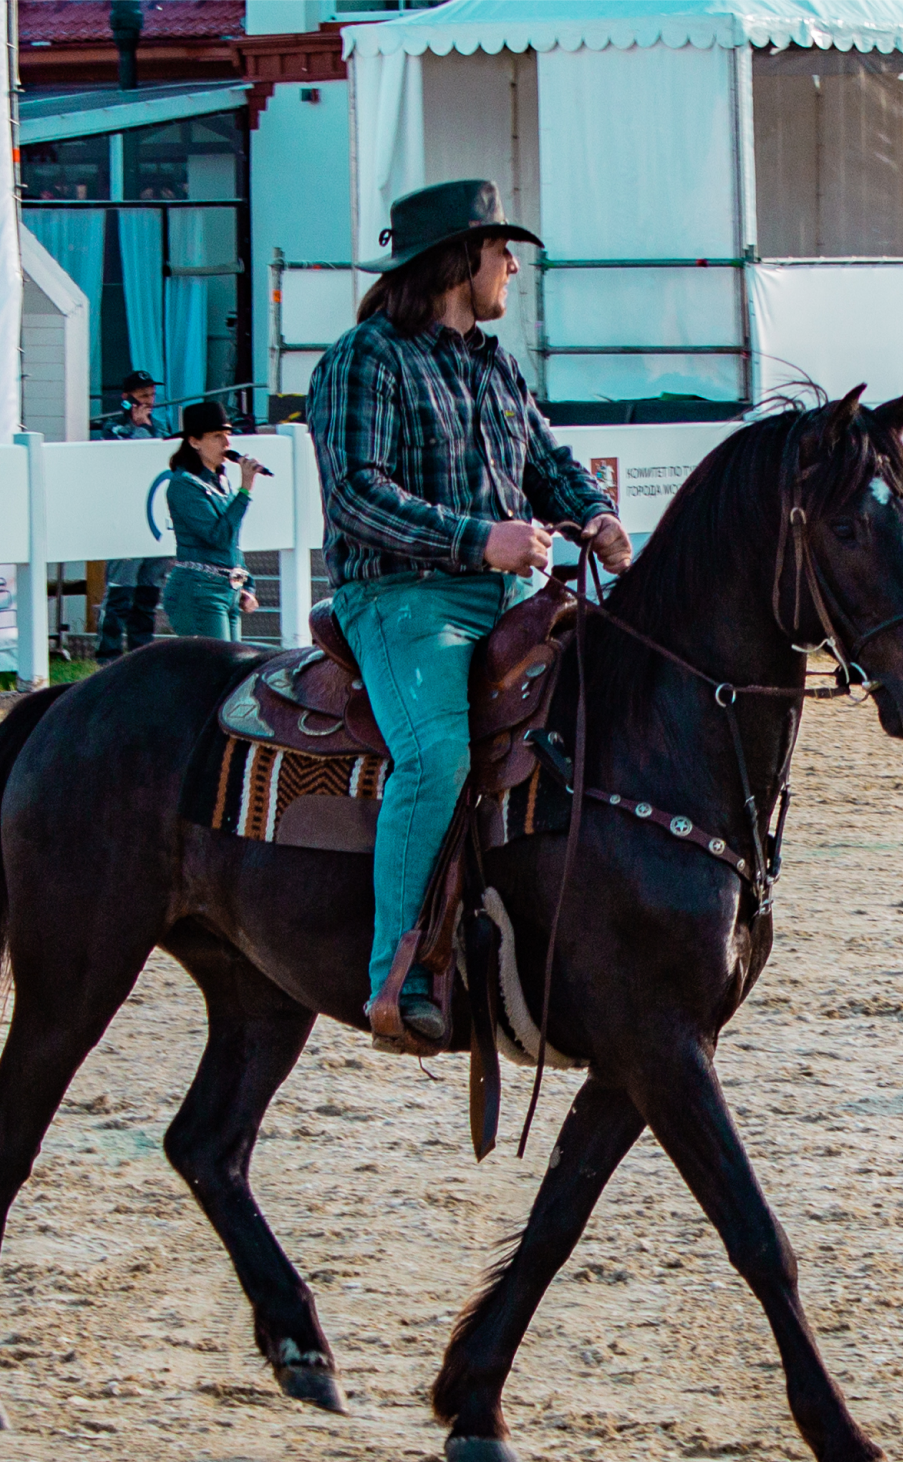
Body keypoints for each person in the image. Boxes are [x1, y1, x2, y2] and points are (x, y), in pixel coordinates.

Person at [307, 177, 633, 1043]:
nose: (514, 269)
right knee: (437, 758)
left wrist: (594, 513)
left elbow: (548, 461)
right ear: (461, 259)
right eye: (502, 251)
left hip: (508, 593)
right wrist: (476, 539)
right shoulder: (363, 356)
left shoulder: (494, 365)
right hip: (403, 596)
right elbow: (355, 496)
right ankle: (399, 971)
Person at [156, 402, 261, 640]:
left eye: (227, 435)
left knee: (232, 671)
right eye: (217, 437)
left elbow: (232, 540)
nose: (226, 444)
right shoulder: (183, 485)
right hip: (199, 589)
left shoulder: (220, 482)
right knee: (216, 671)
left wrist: (246, 584)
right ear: (194, 442)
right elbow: (218, 536)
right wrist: (245, 491)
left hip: (225, 589)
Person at [94, 369, 175, 664]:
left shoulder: (162, 428)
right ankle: (108, 656)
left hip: (153, 521)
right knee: (120, 593)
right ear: (126, 400)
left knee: (148, 594)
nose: (149, 403)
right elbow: (113, 462)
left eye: (152, 396)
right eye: (142, 398)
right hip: (125, 522)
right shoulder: (113, 430)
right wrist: (136, 428)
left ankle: (141, 655)